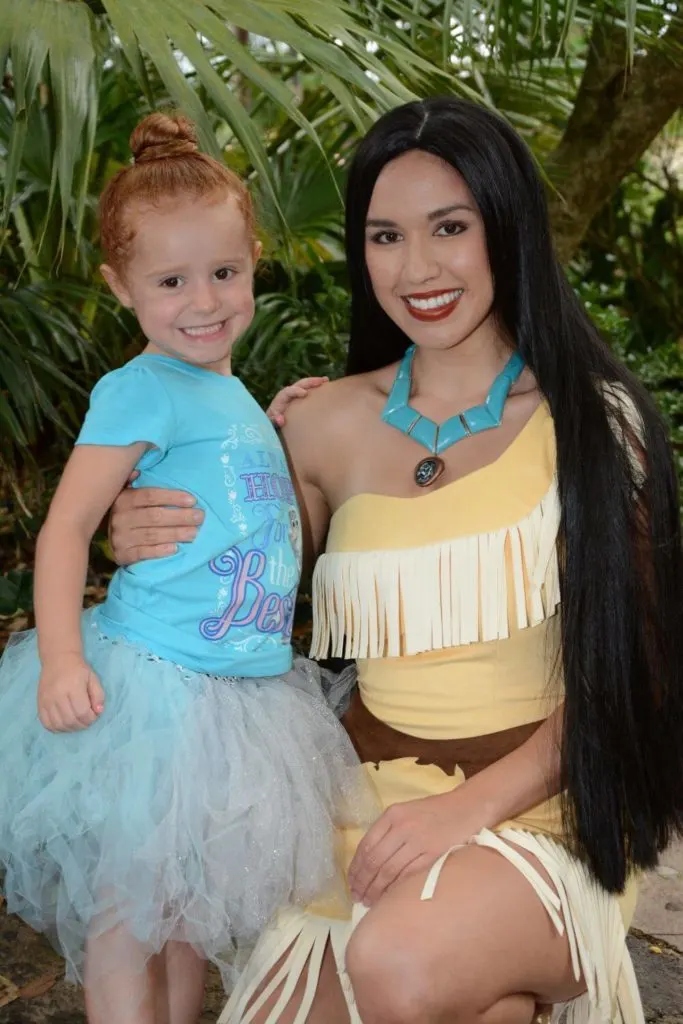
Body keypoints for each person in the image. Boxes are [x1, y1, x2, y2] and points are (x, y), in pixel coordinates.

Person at [109, 98, 683, 1024]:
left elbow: (632, 676)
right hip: (358, 808)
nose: (416, 269)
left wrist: (464, 812)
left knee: (400, 962)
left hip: (544, 809)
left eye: (449, 227)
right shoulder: (318, 424)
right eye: (384, 236)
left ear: (508, 228)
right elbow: (225, 584)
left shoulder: (593, 426)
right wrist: (135, 527)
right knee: (433, 989)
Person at [0, 112, 371, 1024]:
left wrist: (273, 428)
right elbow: (65, 529)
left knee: (182, 930)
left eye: (224, 272)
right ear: (119, 285)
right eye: (170, 281)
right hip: (157, 693)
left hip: (238, 698)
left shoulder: (226, 386)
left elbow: (245, 511)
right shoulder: (138, 387)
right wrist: (59, 659)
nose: (203, 301)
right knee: (128, 918)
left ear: (253, 259)